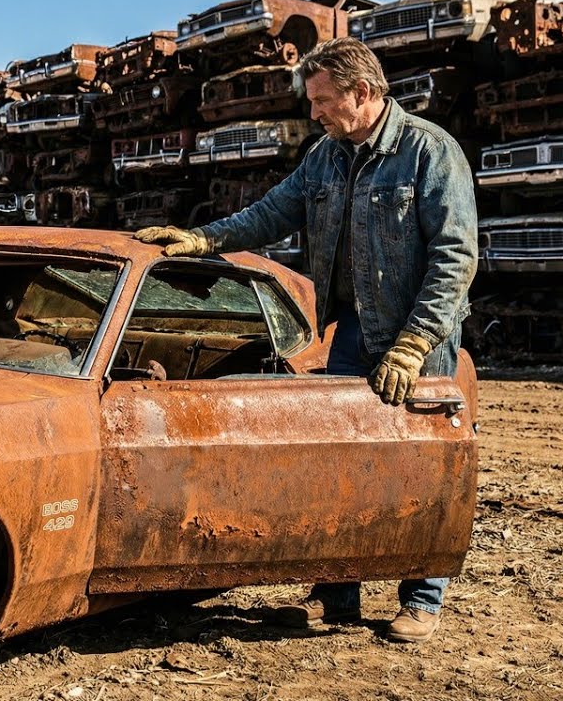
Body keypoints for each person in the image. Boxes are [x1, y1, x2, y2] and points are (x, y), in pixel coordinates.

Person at [136, 37, 477, 643]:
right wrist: (202, 240)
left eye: (322, 100)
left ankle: (422, 598)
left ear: (362, 93)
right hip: (351, 332)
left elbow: (455, 259)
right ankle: (339, 591)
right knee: (342, 459)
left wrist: (414, 342)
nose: (313, 112)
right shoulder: (326, 156)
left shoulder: (430, 153)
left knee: (422, 464)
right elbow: (271, 213)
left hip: (418, 340)